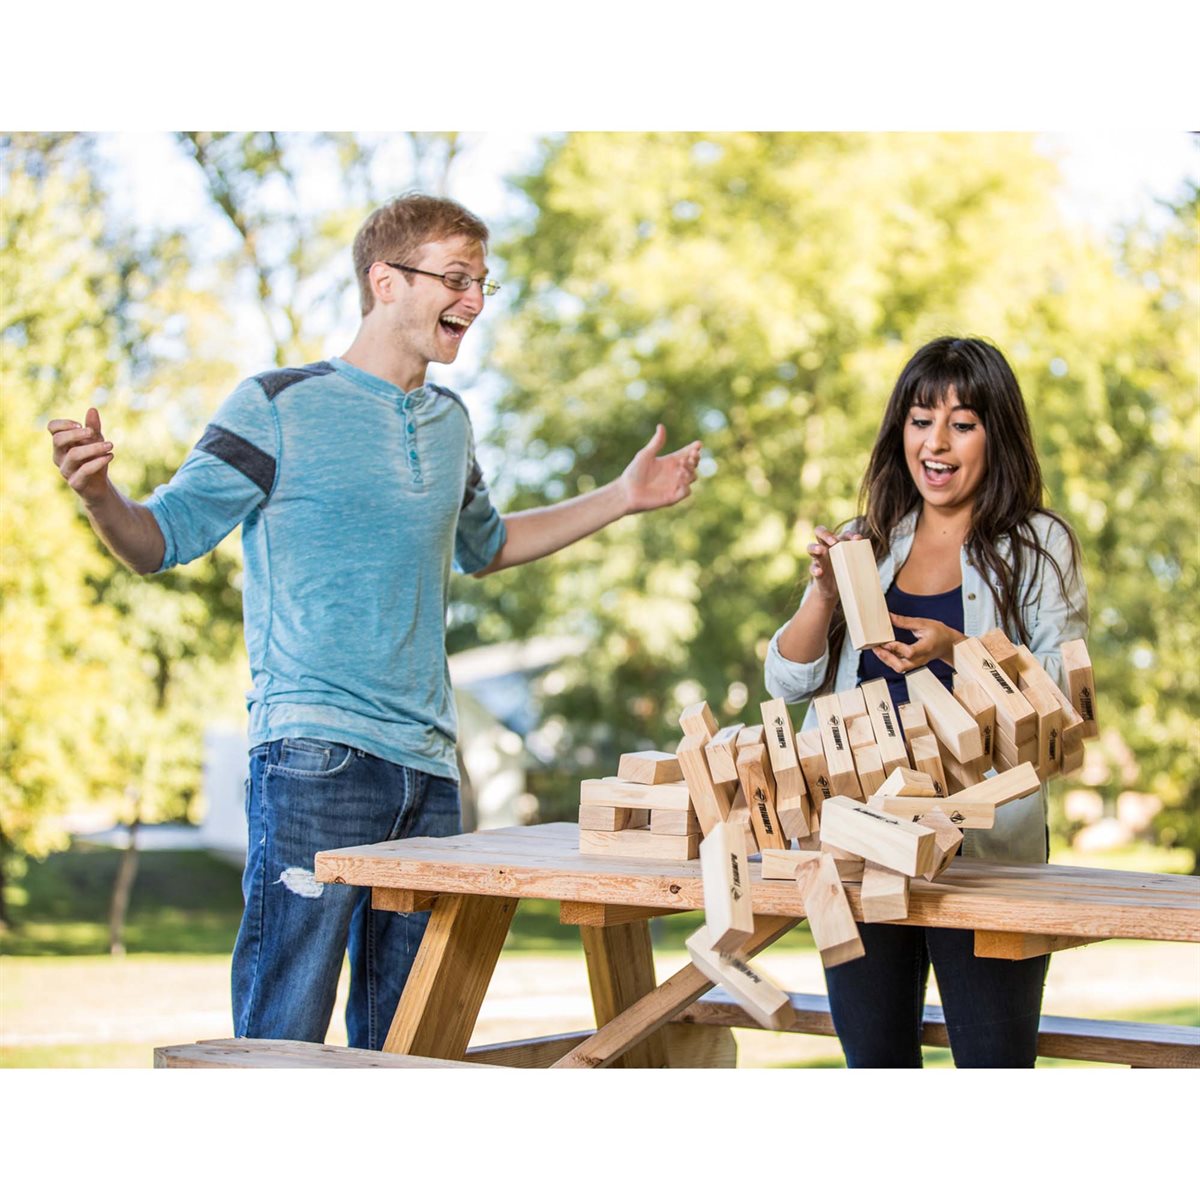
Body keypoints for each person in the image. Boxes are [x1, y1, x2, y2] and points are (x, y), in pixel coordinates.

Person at [48, 192, 702, 1052]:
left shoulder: (452, 425)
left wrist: (621, 499)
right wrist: (101, 495)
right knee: (282, 1042)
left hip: (429, 771)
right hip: (316, 756)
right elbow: (159, 539)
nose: (473, 300)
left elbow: (490, 545)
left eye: (482, 283)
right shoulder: (276, 405)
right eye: (456, 278)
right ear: (385, 281)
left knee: (412, 1042)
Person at [764, 336, 1087, 1068]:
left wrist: (958, 651)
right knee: (875, 1069)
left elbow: (1065, 708)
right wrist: (822, 591)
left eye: (962, 423)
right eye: (920, 419)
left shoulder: (1039, 547)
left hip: (986, 848)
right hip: (859, 839)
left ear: (995, 435)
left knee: (994, 1070)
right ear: (898, 430)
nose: (936, 443)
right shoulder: (867, 541)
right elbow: (786, 684)